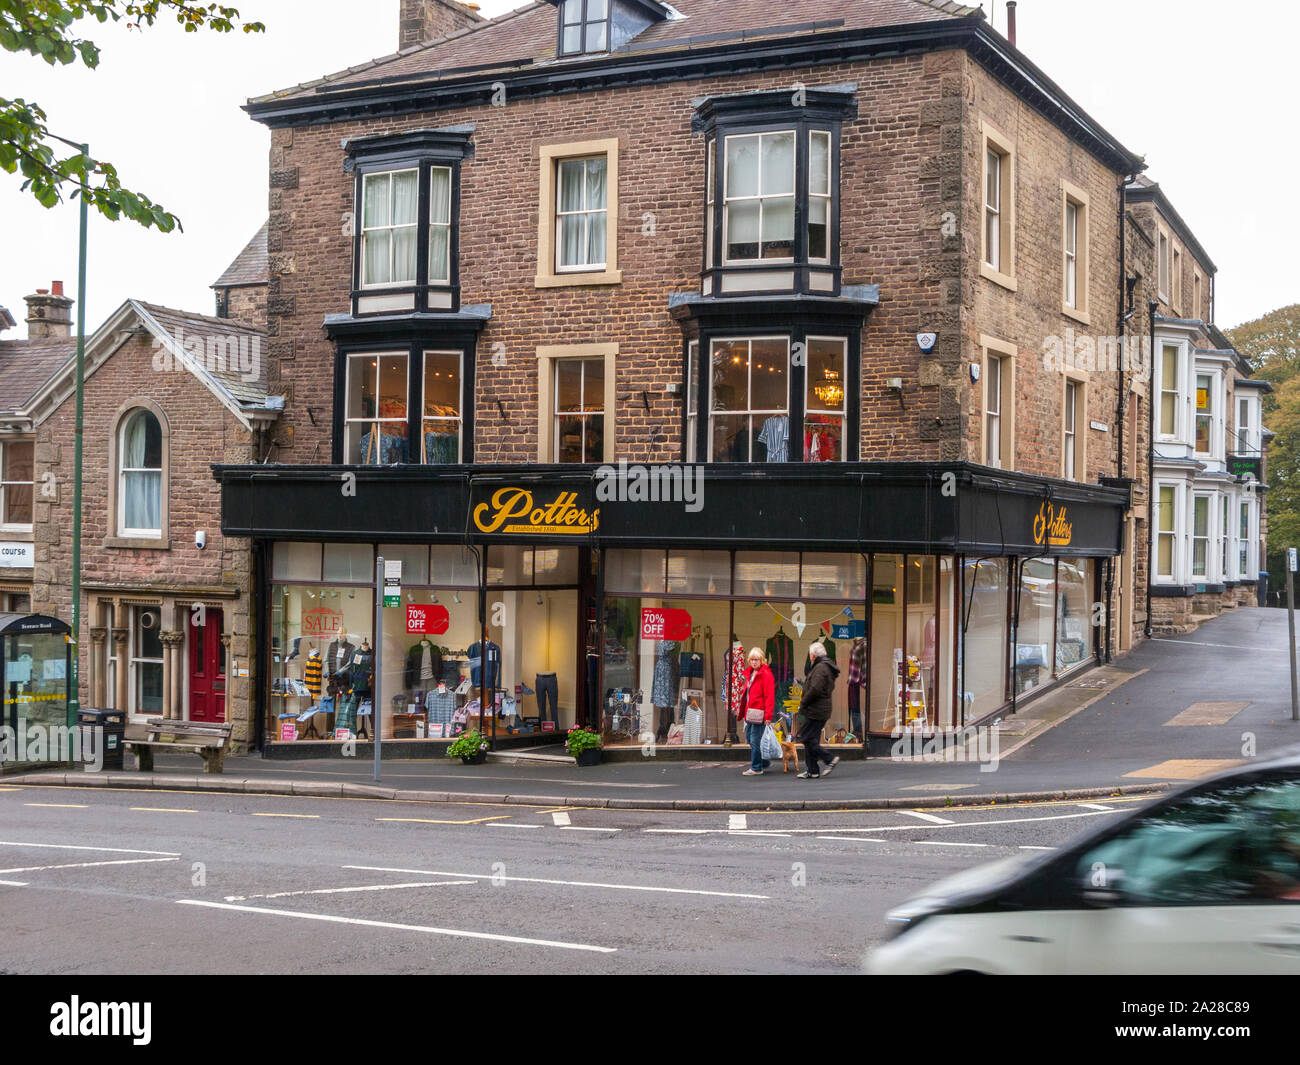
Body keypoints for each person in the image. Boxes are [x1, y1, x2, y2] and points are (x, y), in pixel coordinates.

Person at [796, 641, 840, 779]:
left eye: (810, 655)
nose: (810, 657)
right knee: (811, 739)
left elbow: (815, 689)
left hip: (816, 710)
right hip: (818, 709)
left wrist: (803, 703)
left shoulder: (820, 668)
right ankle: (813, 770)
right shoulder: (824, 667)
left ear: (813, 655)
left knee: (805, 737)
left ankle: (829, 758)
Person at [739, 647, 775, 776]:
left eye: (757, 660)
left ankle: (756, 767)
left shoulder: (766, 674)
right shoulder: (750, 673)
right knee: (749, 738)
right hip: (750, 712)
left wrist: (768, 716)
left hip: (759, 713)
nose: (754, 662)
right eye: (752, 660)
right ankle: (764, 762)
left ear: (762, 660)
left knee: (755, 740)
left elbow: (769, 696)